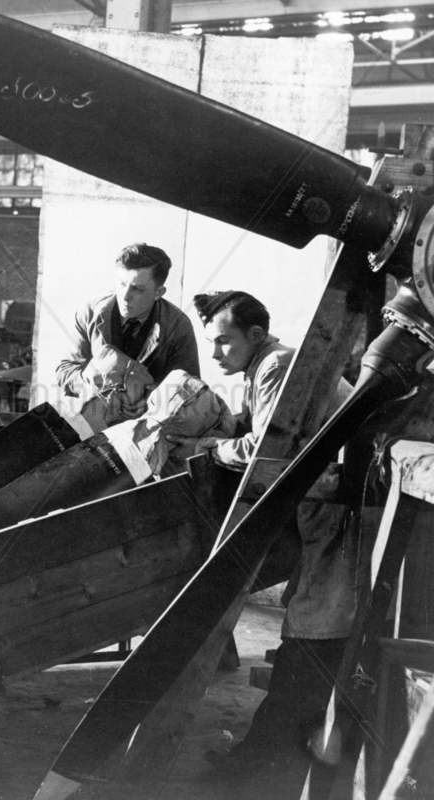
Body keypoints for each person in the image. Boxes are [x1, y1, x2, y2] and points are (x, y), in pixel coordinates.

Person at [167, 290, 358, 776]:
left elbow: (267, 449)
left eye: (224, 343)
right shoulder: (263, 367)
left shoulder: (276, 364)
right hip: (323, 508)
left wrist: (209, 447)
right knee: (308, 622)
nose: (214, 354)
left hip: (339, 511)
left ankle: (270, 762)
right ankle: (269, 754)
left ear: (255, 335)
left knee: (314, 629)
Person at [56, 243, 200, 420]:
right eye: (122, 284)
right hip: (87, 418)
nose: (125, 296)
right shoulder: (89, 312)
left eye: (138, 289)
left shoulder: (179, 325)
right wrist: (93, 383)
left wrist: (151, 399)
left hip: (144, 427)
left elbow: (190, 389)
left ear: (159, 292)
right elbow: (65, 371)